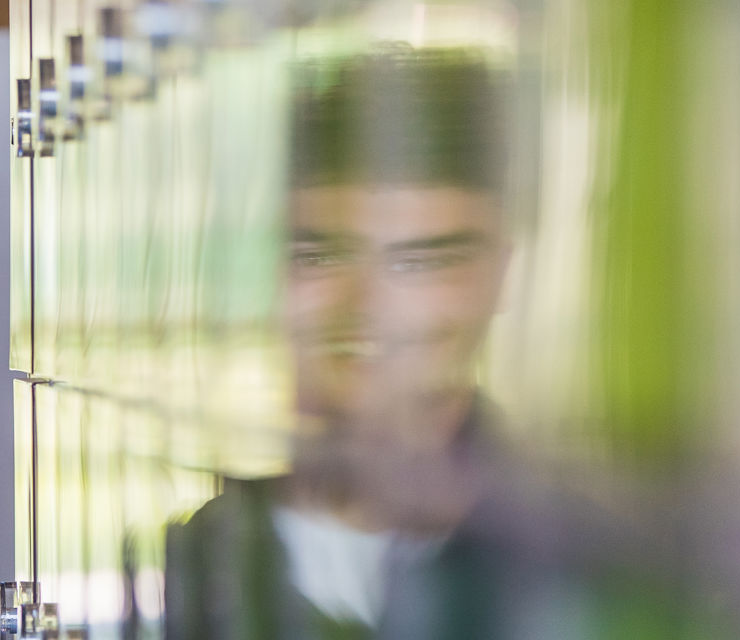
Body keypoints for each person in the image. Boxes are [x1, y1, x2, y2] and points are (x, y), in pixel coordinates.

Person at [165, 47, 629, 639]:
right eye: (322, 255)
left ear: (502, 274)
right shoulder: (208, 552)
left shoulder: (589, 552)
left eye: (421, 261)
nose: (370, 305)